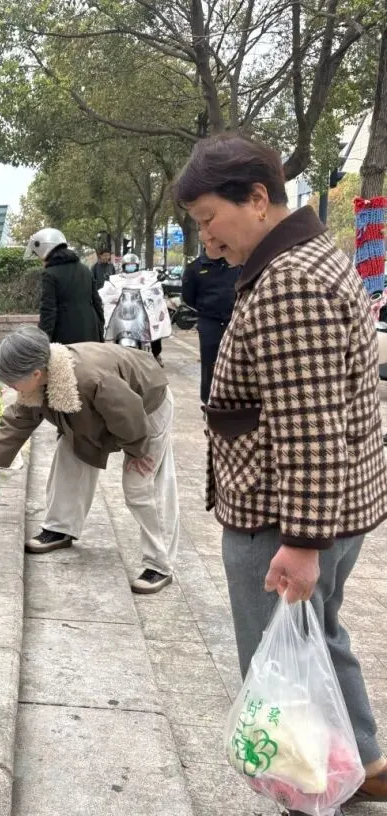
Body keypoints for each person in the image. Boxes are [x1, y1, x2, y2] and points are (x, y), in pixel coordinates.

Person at [174, 133, 387, 804]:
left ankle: (307, 789)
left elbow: (309, 432)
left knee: (280, 669)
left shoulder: (292, 281)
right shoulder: (303, 257)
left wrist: (299, 544)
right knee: (318, 638)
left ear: (257, 198)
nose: (207, 240)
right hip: (323, 506)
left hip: (282, 516)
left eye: (210, 219)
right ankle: (365, 771)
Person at [0, 327, 179, 594]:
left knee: (141, 487)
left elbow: (128, 412)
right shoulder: (39, 379)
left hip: (146, 406)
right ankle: (60, 529)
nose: (10, 388)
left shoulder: (90, 377)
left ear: (36, 373)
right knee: (70, 458)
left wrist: (138, 449)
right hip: (96, 411)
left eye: (12, 382)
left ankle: (161, 564)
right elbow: (19, 419)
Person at [180, 251, 241, 405]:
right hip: (209, 321)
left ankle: (233, 399)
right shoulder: (195, 268)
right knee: (209, 361)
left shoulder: (237, 263)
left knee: (236, 360)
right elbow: (188, 297)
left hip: (234, 319)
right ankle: (208, 400)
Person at [31, 227, 105, 345]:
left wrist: (43, 341)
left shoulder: (50, 274)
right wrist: (100, 329)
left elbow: (48, 311)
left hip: (65, 334)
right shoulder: (85, 270)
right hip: (91, 331)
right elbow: (97, 302)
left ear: (45, 250)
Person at [99, 253, 171, 365]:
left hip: (142, 312)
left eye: (133, 265)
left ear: (137, 265)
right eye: (128, 265)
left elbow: (155, 286)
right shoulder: (117, 279)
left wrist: (157, 284)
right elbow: (106, 292)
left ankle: (156, 354)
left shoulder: (146, 278)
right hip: (123, 312)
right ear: (123, 266)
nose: (130, 267)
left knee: (154, 328)